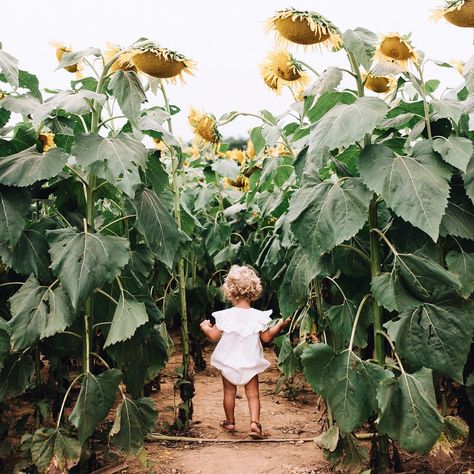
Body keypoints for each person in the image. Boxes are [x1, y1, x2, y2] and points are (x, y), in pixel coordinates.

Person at [200, 265, 290, 439]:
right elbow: (266, 338)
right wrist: (279, 325)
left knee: (229, 393)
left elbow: (213, 336)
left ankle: (230, 422)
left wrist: (205, 326)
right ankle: (255, 423)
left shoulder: (225, 316)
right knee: (253, 395)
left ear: (230, 292)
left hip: (229, 363)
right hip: (249, 362)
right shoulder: (259, 316)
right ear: (254, 290)